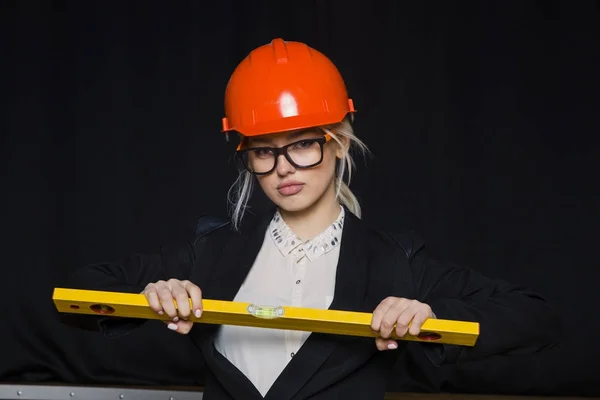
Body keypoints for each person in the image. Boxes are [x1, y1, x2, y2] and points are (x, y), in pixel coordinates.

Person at [64, 38, 561, 399]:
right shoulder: (213, 252)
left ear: (339, 141)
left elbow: (535, 317)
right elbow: (80, 295)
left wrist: (433, 320)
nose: (283, 168)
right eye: (263, 151)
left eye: (302, 144)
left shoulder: (392, 261)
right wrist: (150, 296)